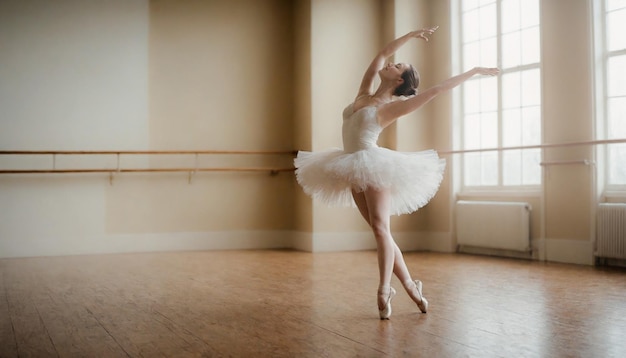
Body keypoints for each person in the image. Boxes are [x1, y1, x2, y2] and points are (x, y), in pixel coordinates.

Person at [294, 26, 499, 319]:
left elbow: (438, 89)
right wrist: (413, 34)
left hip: (374, 166)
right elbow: (381, 53)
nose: (392, 63)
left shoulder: (392, 107)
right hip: (350, 165)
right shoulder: (363, 93)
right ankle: (412, 288)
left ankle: (383, 288)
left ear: (400, 79)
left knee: (380, 228)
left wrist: (475, 70)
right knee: (382, 234)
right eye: (395, 61)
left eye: (398, 65)